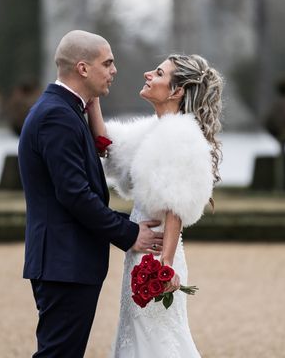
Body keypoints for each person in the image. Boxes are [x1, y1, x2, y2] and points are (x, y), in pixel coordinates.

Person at [18, 30, 164, 357]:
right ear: (83, 68)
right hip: (63, 263)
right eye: (107, 63)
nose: (114, 71)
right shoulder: (57, 115)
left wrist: (92, 107)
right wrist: (128, 233)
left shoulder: (66, 109)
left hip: (65, 261)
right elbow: (75, 195)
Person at [87, 53, 224, 357]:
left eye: (159, 73)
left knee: (157, 340)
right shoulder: (154, 129)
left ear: (176, 91)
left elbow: (175, 207)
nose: (148, 74)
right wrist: (92, 98)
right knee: (135, 333)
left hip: (157, 252)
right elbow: (108, 147)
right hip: (143, 248)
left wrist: (165, 266)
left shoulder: (180, 136)